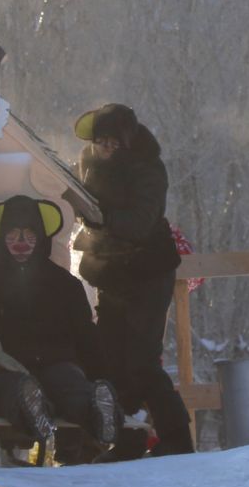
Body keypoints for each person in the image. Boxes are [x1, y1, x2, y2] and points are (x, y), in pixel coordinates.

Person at [0, 195, 120, 464]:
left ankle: (99, 412)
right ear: (1, 237)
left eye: (29, 234)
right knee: (16, 388)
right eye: (13, 233)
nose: (21, 242)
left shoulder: (64, 284)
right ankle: (33, 409)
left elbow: (86, 337)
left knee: (72, 386)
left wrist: (102, 375)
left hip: (57, 365)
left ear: (41, 236)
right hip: (1, 369)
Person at [71, 102, 193, 456]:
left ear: (127, 141)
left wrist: (97, 216)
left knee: (141, 359)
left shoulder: (148, 168)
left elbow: (140, 223)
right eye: (101, 142)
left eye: (113, 143)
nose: (106, 149)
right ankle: (126, 439)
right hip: (112, 271)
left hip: (148, 272)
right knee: (110, 360)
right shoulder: (86, 159)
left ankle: (177, 438)